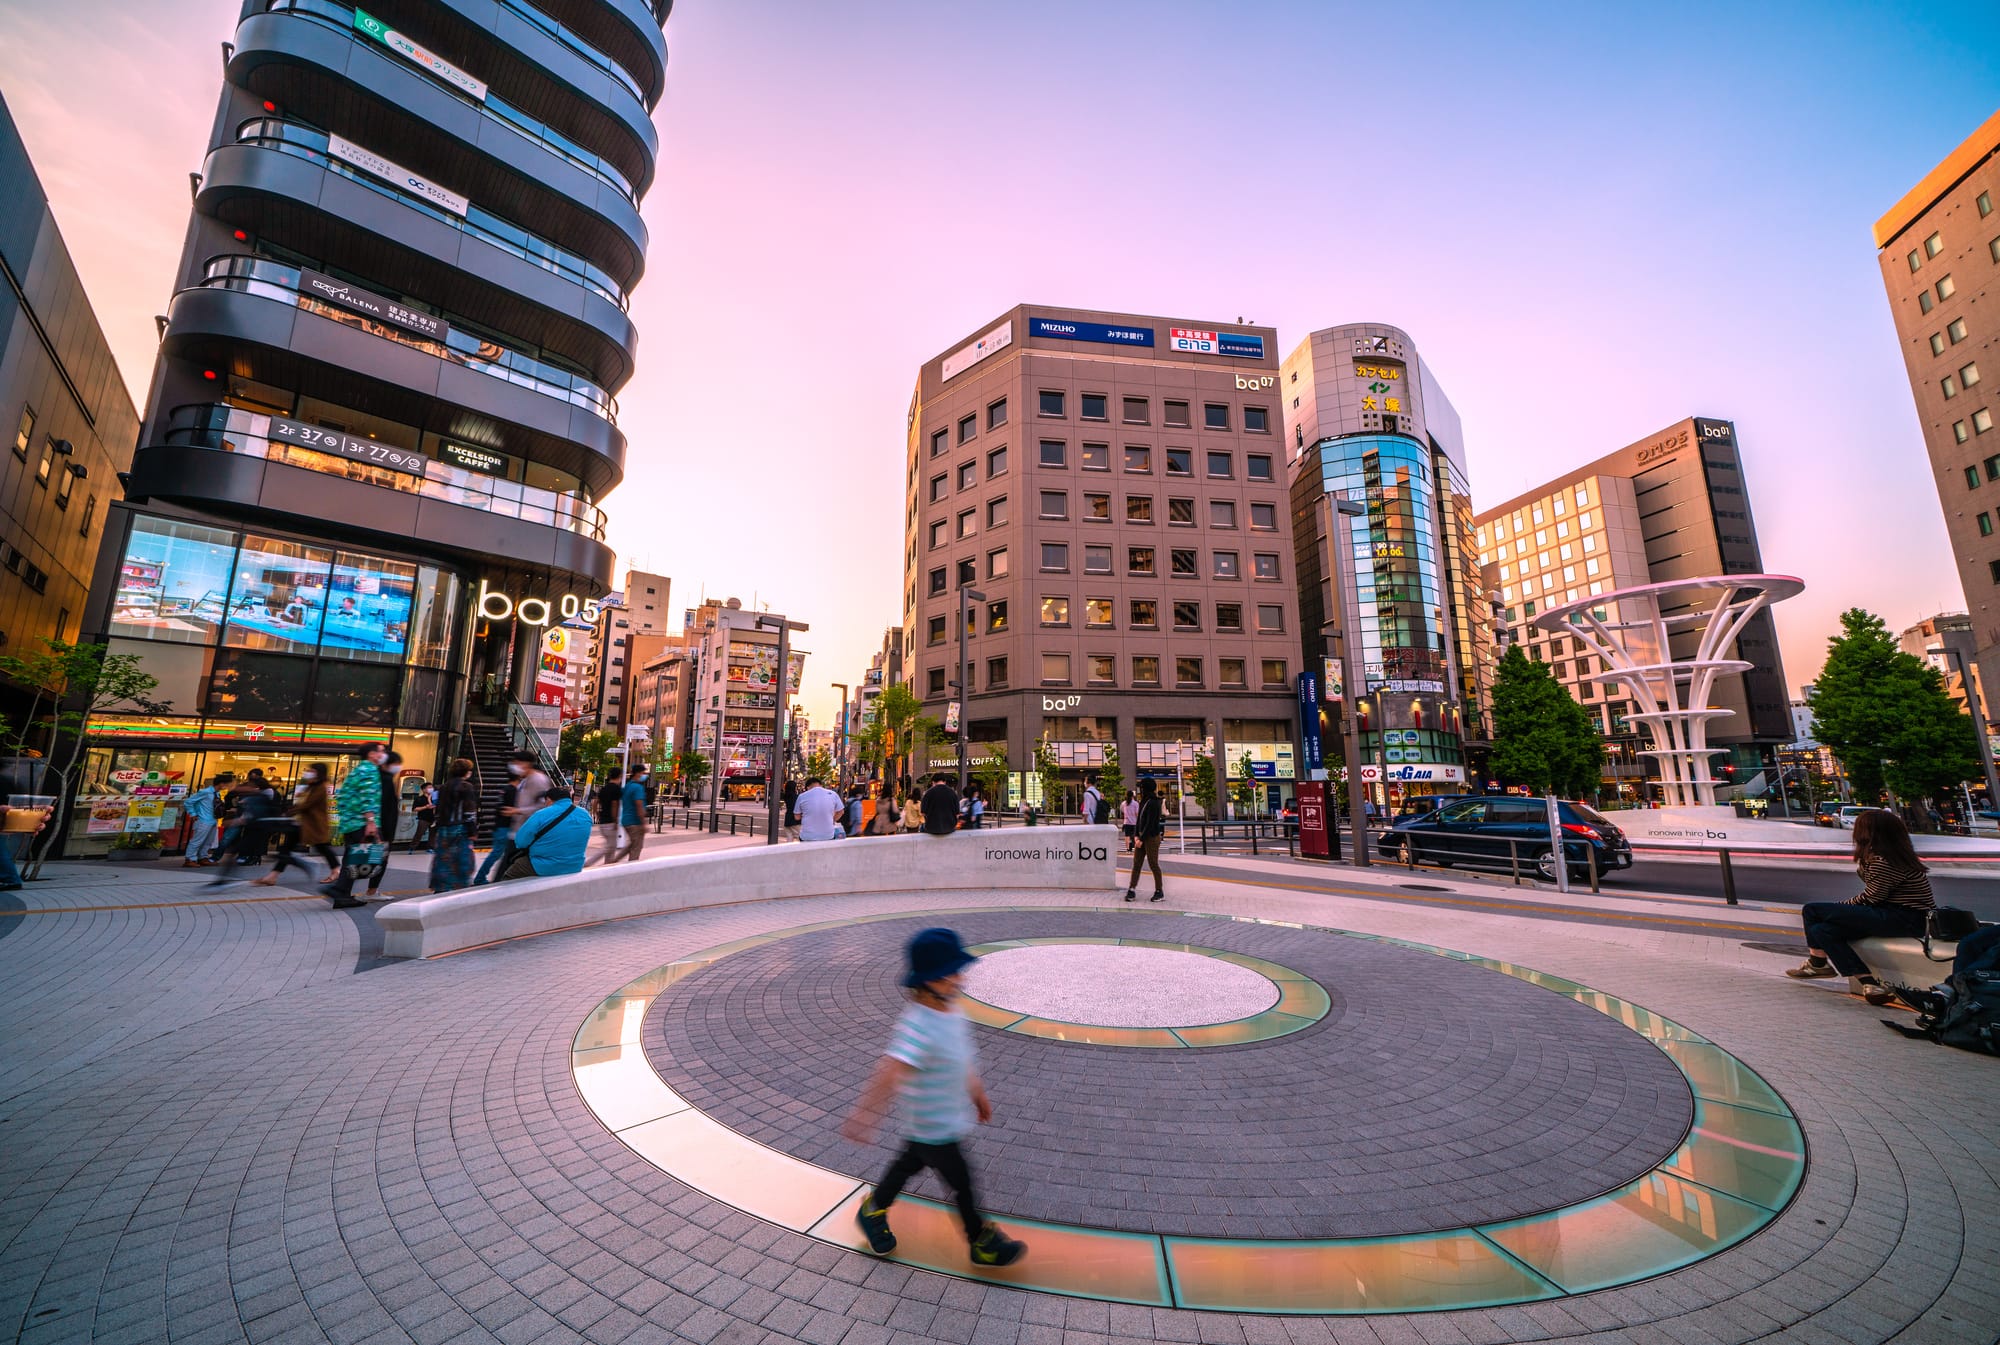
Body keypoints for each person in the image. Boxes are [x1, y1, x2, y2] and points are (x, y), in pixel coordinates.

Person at [840, 928, 1025, 1268]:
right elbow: (891, 1069)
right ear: (927, 981)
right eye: (949, 972)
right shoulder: (918, 1024)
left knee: (907, 1164)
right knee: (962, 1182)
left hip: (943, 1118)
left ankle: (873, 1208)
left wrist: (977, 1092)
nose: (958, 976)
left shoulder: (952, 1011)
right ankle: (980, 1241)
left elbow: (962, 1057)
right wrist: (865, 1115)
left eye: (958, 969)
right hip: (932, 1124)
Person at [1788, 808, 1936, 1005]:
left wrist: (1840, 908)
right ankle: (1869, 983)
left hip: (1904, 917)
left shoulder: (1884, 861)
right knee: (1823, 930)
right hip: (1900, 915)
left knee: (1812, 910)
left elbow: (1872, 897)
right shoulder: (1892, 856)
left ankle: (1817, 963)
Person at [323, 742, 387, 908]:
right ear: (372, 754)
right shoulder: (370, 770)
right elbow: (368, 797)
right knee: (362, 859)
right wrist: (370, 821)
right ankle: (339, 890)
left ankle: (342, 896)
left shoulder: (357, 770)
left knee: (352, 858)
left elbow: (342, 797)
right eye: (381, 751)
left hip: (351, 822)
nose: (383, 754)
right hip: (362, 823)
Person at [254, 763, 337, 885]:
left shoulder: (321, 787)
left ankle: (336, 870)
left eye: (312, 770)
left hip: (313, 825)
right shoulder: (311, 786)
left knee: (321, 848)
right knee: (287, 848)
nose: (308, 772)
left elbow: (307, 805)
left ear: (319, 773)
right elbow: (302, 803)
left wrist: (288, 813)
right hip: (302, 823)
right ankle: (272, 876)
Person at [501, 785, 590, 879]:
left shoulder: (541, 814)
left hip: (544, 866)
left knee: (510, 874)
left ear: (548, 800)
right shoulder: (585, 815)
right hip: (574, 866)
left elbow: (520, 842)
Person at [207, 777, 282, 883]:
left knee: (237, 849)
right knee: (234, 850)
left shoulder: (261, 797)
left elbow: (253, 815)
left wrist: (236, 821)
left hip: (258, 829)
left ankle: (225, 878)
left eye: (248, 786)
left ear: (255, 787)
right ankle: (224, 877)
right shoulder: (255, 797)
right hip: (254, 828)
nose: (243, 788)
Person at [428, 758, 479, 892]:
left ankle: (441, 887)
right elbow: (469, 811)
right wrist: (473, 831)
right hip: (460, 828)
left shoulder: (444, 786)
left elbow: (438, 809)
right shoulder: (466, 786)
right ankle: (458, 887)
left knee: (443, 859)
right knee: (461, 859)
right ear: (466, 772)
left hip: (444, 828)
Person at [362, 752, 406, 901]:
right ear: (386, 764)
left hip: (378, 826)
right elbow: (387, 808)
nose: (398, 767)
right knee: (379, 859)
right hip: (383, 828)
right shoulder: (385, 780)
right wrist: (386, 833)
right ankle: (371, 891)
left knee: (372, 858)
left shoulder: (378, 778)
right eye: (397, 763)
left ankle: (367, 890)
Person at [1125, 778, 1166, 903]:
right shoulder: (1144, 801)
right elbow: (1139, 820)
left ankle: (1159, 891)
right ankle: (1131, 889)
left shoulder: (1154, 802)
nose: (1140, 790)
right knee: (1137, 863)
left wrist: (1140, 839)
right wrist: (1136, 835)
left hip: (1151, 837)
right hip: (1142, 837)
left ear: (1145, 788)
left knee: (1153, 864)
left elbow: (1150, 823)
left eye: (1141, 787)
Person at [472, 776, 518, 886]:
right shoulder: (513, 791)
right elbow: (509, 810)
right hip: (506, 827)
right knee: (498, 853)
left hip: (499, 826)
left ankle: (483, 877)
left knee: (497, 853)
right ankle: (481, 878)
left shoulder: (504, 789)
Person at [181, 776, 222, 867]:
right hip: (203, 819)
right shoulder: (205, 792)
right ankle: (190, 859)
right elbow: (188, 801)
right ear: (221, 783)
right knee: (197, 840)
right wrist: (193, 814)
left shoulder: (217, 793)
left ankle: (202, 857)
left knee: (208, 841)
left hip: (213, 820)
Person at [611, 766, 648, 864]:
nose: (644, 775)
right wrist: (643, 823)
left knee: (632, 844)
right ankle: (632, 868)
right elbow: (639, 805)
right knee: (637, 847)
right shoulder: (638, 787)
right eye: (643, 773)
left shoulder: (627, 786)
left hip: (626, 820)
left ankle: (615, 861)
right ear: (637, 773)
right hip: (635, 821)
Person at [590, 766, 625, 866]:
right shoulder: (616, 789)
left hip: (603, 821)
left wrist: (596, 813)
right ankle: (589, 862)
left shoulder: (604, 788)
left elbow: (595, 801)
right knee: (610, 847)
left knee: (611, 846)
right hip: (610, 822)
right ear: (619, 776)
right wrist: (615, 821)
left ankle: (608, 865)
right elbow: (615, 805)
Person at [796, 776, 843, 842]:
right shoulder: (833, 794)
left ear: (807, 787)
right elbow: (841, 811)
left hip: (807, 836)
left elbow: (797, 817)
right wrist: (832, 820)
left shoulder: (802, 796)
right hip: (828, 835)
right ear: (821, 785)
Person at [410, 780, 437, 852]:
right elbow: (415, 809)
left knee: (433, 834)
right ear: (424, 789)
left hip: (433, 818)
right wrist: (425, 807)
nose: (431, 789)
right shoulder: (419, 799)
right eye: (429, 787)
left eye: (432, 787)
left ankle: (430, 848)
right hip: (423, 818)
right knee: (419, 833)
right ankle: (412, 847)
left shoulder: (434, 798)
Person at [1122, 789, 1139, 854]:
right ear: (1133, 796)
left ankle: (1128, 849)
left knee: (1127, 836)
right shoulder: (1135, 803)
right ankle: (1134, 848)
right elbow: (1137, 813)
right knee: (1134, 836)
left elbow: (1122, 811)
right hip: (1134, 822)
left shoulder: (1124, 803)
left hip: (1126, 822)